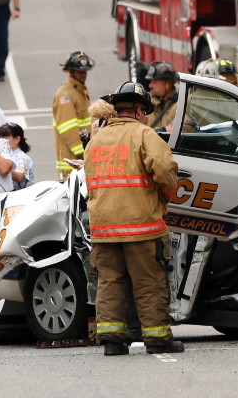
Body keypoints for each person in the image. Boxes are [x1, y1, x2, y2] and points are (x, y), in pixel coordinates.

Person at [87, 82, 182, 356]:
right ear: (140, 111)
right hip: (141, 226)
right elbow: (164, 170)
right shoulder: (144, 134)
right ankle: (157, 338)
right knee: (149, 281)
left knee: (110, 281)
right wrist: (166, 195)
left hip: (104, 229)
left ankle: (112, 341)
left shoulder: (97, 141)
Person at [53, 51, 94, 180]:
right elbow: (67, 129)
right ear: (70, 71)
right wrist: (83, 153)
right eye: (80, 71)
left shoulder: (80, 91)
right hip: (71, 164)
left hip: (82, 160)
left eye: (85, 71)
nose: (84, 74)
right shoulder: (65, 95)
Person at [0, 123, 34, 190]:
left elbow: (19, 176)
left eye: (5, 139)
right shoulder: (1, 155)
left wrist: (0, 168)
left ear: (17, 139)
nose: (0, 142)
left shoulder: (22, 158)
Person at [146, 61, 180, 130]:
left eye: (154, 82)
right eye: (150, 81)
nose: (150, 85)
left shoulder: (180, 106)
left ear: (167, 84)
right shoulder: (145, 103)